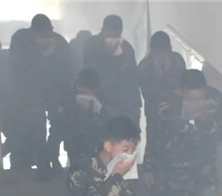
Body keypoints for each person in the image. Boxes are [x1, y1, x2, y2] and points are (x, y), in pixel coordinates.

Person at [8, 14, 72, 178]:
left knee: (58, 127)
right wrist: (41, 55)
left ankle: (53, 158)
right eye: (41, 33)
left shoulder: (59, 42)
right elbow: (18, 66)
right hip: (28, 94)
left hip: (55, 92)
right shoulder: (20, 39)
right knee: (35, 129)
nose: (45, 36)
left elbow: (67, 70)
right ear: (33, 31)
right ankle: (42, 164)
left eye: (48, 33)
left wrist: (64, 97)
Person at [138, 31, 186, 196]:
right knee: (155, 155)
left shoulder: (178, 62)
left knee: (176, 157)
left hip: (176, 119)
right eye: (158, 52)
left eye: (165, 52)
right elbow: (147, 93)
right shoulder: (145, 67)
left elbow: (182, 88)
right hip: (154, 119)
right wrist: (158, 74)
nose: (161, 55)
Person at [83, 15, 142, 127]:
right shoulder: (92, 45)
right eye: (111, 33)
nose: (114, 37)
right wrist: (107, 56)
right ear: (103, 31)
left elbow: (132, 78)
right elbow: (90, 72)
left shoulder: (126, 48)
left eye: (117, 34)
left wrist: (135, 107)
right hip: (100, 102)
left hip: (125, 105)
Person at [60, 68, 104, 170]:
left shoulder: (104, 107)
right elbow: (59, 129)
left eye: (89, 94)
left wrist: (94, 115)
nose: (85, 97)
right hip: (74, 150)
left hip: (98, 153)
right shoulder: (68, 104)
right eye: (83, 93)